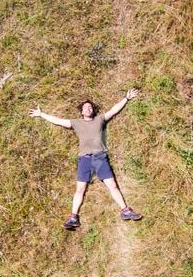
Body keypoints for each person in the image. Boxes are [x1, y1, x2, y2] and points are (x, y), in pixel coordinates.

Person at [28, 89, 144, 229]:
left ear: (92, 110)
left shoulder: (99, 119)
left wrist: (126, 98)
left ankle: (125, 211)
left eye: (90, 107)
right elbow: (58, 121)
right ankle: (73, 217)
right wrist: (41, 114)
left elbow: (113, 110)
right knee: (80, 189)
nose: (88, 109)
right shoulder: (76, 123)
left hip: (100, 158)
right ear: (82, 112)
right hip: (84, 159)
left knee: (112, 185)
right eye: (85, 107)